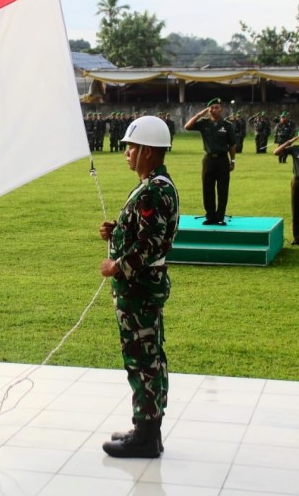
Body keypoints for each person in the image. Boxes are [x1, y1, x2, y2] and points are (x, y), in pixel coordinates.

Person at [98, 115, 178, 459]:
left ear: (147, 150)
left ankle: (145, 436)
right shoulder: (154, 185)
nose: (126, 153)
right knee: (148, 357)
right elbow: (143, 230)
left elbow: (151, 243)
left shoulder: (155, 190)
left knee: (142, 359)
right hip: (142, 289)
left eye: (130, 147)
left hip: (139, 289)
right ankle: (146, 429)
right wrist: (116, 229)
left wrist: (117, 265)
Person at [185, 98, 237, 225]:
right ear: (208, 110)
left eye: (217, 107)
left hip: (222, 159)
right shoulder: (204, 123)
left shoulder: (227, 125)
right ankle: (210, 216)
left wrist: (233, 160)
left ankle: (220, 217)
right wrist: (199, 114)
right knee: (207, 189)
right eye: (212, 107)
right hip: (208, 160)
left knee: (222, 189)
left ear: (221, 109)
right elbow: (187, 126)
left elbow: (232, 145)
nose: (215, 110)